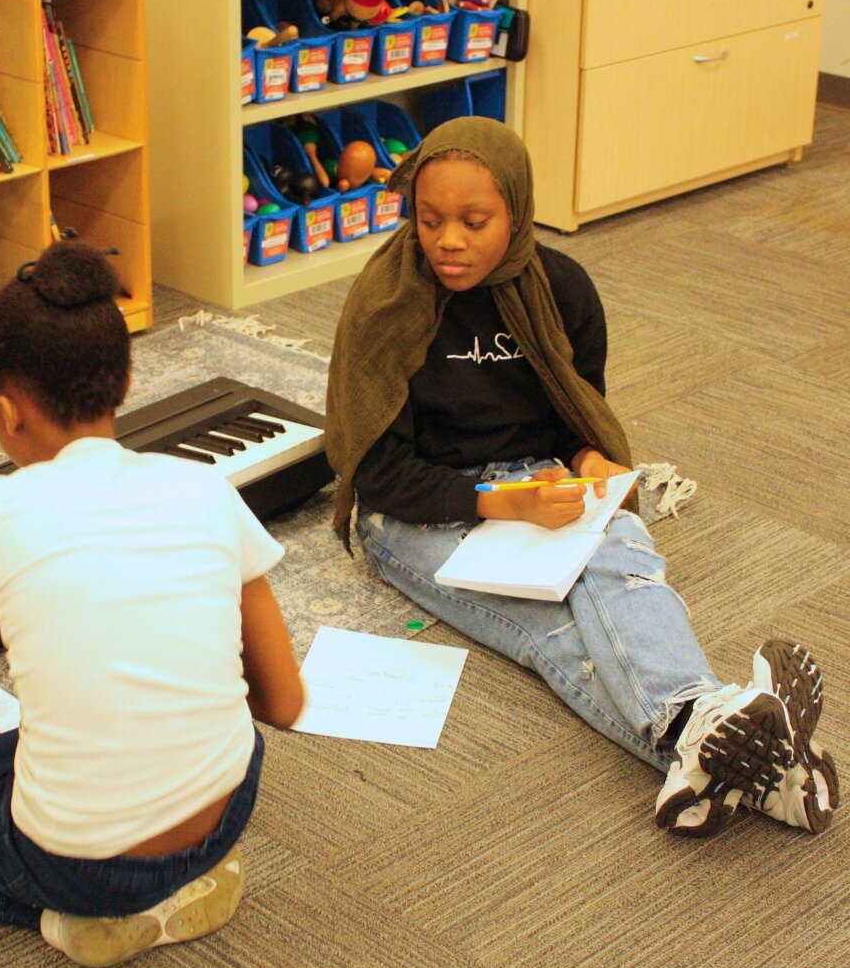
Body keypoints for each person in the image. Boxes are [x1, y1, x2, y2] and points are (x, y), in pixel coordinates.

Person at [325, 116, 838, 837]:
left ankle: (704, 741)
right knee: (546, 622)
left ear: (517, 212)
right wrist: (501, 503)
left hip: (535, 478)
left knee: (622, 559)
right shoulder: (385, 305)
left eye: (474, 222)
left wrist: (589, 461)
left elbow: (575, 413)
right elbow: (376, 473)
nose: (447, 241)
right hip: (417, 508)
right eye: (430, 219)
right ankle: (748, 757)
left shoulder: (560, 288)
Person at [0, 241, 305, 968]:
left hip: (78, 861)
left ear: (6, 411)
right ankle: (168, 885)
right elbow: (284, 705)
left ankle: (68, 913)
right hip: (226, 812)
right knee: (187, 734)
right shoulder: (203, 488)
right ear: (127, 379)